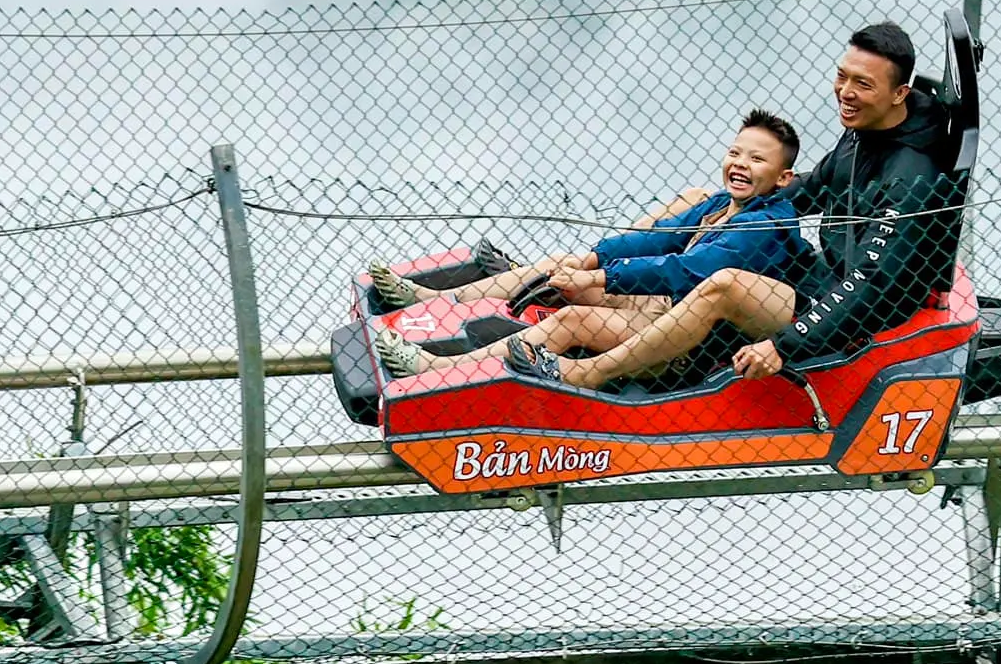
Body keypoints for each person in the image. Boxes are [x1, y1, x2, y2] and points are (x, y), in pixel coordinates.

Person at [442, 21, 958, 390]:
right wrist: (731, 208)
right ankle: (549, 281)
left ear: (900, 94)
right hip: (824, 279)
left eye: (862, 84)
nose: (844, 92)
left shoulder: (910, 179)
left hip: (862, 318)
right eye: (842, 75)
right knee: (701, 205)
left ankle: (589, 371)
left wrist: (784, 347)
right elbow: (807, 188)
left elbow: (868, 289)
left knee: (724, 282)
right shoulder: (863, 131)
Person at [371, 111, 805, 379]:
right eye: (736, 153)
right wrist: (590, 259)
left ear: (783, 178)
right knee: (563, 270)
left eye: (757, 159)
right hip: (662, 308)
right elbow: (653, 239)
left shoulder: (765, 223)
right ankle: (435, 299)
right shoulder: (718, 204)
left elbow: (687, 269)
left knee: (573, 319)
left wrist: (599, 276)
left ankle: (440, 369)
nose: (740, 165)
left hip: (681, 345)